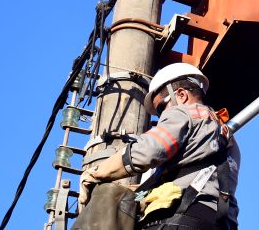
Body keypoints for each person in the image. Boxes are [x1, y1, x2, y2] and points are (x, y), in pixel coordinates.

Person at [79, 63, 240, 229]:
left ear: (182, 95)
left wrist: (96, 173)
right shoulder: (227, 138)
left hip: (179, 218)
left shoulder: (184, 113)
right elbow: (180, 178)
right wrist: (134, 194)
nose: (162, 116)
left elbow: (147, 151)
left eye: (162, 108)